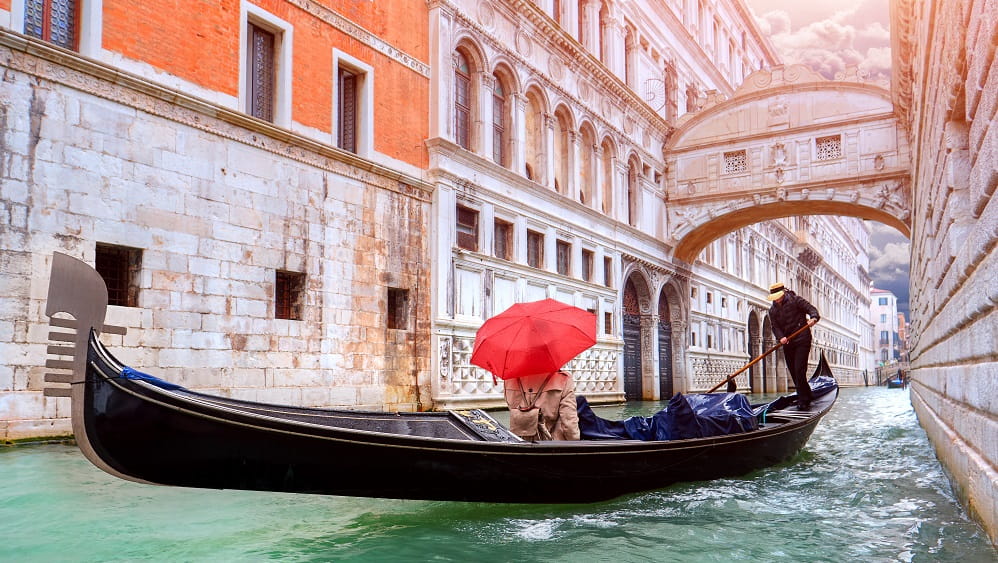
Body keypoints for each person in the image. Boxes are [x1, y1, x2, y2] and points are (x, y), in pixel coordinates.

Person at [767, 282, 820, 410]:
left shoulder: (796, 300)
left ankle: (803, 400)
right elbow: (775, 327)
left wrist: (813, 318)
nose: (777, 300)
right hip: (788, 343)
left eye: (778, 297)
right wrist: (781, 337)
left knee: (799, 370)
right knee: (793, 372)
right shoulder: (772, 310)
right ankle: (806, 394)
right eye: (774, 298)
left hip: (802, 339)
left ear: (783, 293)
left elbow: (812, 310)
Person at [504, 370, 580, 441]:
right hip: (553, 445)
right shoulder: (563, 379)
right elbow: (569, 422)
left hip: (519, 442)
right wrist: (575, 443)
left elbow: (512, 407)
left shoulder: (509, 379)